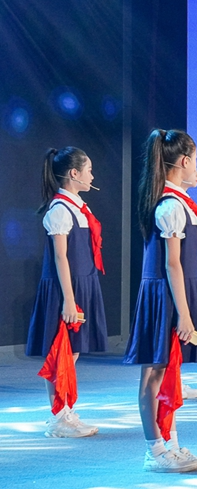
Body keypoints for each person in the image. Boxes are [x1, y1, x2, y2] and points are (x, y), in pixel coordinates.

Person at [124, 129, 197, 472]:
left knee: (168, 370)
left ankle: (171, 443)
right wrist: (184, 314)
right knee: (153, 372)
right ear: (184, 161)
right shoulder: (170, 206)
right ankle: (155, 450)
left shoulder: (181, 203)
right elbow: (172, 263)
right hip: (165, 294)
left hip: (176, 290)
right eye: (196, 161)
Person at [27, 147, 107, 437]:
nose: (92, 176)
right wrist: (69, 301)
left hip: (83, 283)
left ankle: (66, 411)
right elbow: (61, 257)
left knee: (72, 352)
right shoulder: (60, 209)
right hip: (66, 289)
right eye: (89, 170)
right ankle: (58, 417)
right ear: (74, 173)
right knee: (60, 352)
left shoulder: (79, 207)